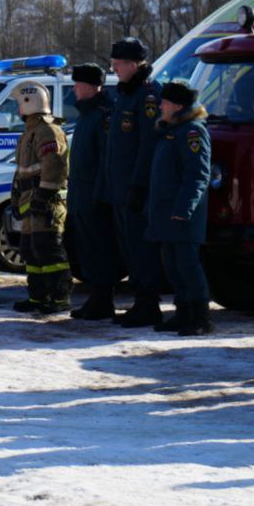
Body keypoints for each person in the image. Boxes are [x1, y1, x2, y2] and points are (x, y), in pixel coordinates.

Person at [98, 37, 163, 327]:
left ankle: (149, 304)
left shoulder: (147, 95)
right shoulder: (125, 93)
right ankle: (140, 300)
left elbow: (148, 145)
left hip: (135, 189)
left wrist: (139, 185)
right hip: (119, 188)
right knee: (128, 247)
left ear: (133, 65)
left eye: (118, 64)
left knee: (141, 247)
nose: (114, 69)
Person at [146, 82, 212, 336]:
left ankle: (200, 317)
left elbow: (198, 174)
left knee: (187, 265)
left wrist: (184, 208)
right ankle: (183, 312)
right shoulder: (171, 130)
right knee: (172, 265)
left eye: (165, 102)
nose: (160, 106)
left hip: (182, 214)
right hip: (165, 213)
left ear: (178, 105)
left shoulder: (192, 132)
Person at [10, 80, 71, 315]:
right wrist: (17, 197)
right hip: (29, 200)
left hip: (47, 201)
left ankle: (59, 297)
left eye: (19, 103)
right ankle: (38, 297)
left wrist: (44, 194)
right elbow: (22, 170)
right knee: (30, 250)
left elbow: (54, 165)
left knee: (49, 249)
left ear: (29, 102)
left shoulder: (47, 131)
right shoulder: (29, 133)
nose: (17, 108)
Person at [67, 63, 117, 320]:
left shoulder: (102, 115)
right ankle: (96, 298)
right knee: (86, 249)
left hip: (94, 198)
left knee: (99, 250)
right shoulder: (86, 114)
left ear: (89, 86)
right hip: (81, 196)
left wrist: (100, 195)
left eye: (77, 84)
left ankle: (102, 300)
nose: (74, 89)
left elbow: (105, 161)